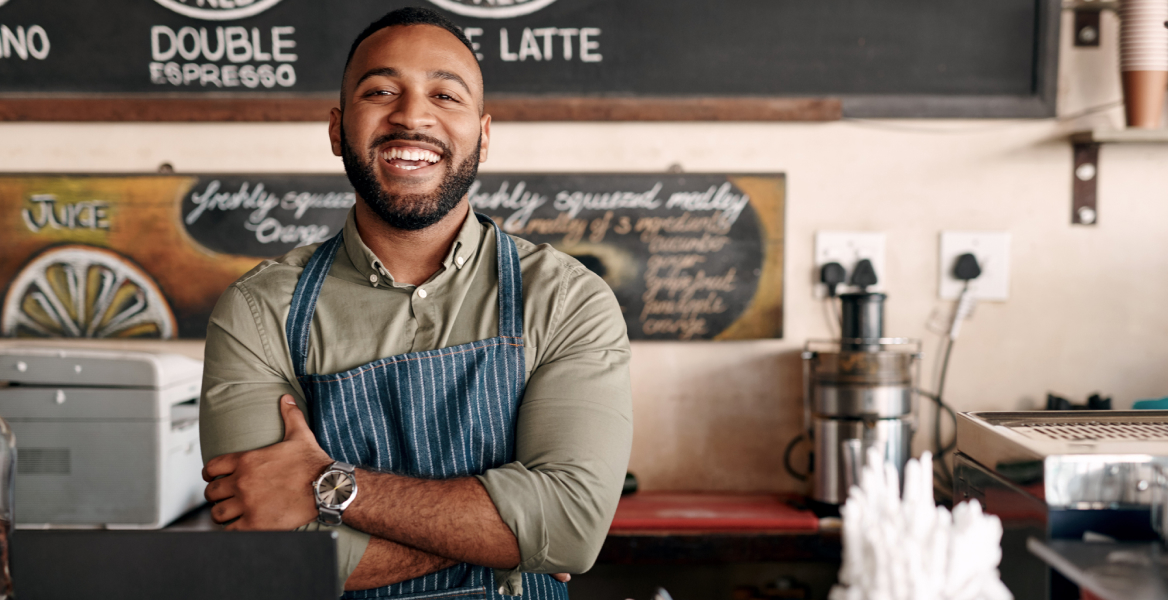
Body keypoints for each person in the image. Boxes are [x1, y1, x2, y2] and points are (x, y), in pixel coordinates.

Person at [197, 7, 633, 599]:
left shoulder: (566, 299)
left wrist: (331, 485)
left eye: (445, 95)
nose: (412, 116)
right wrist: (512, 543)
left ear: (482, 134)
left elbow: (571, 529)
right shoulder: (258, 311)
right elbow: (272, 561)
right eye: (380, 91)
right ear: (336, 129)